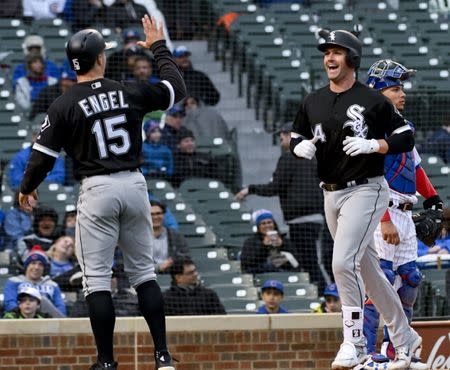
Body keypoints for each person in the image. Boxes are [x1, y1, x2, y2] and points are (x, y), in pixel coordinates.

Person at [18, 16, 186, 370]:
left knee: (97, 279)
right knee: (144, 275)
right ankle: (163, 355)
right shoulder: (129, 90)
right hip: (134, 184)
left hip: (97, 189)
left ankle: (107, 361)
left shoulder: (63, 104)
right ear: (99, 59)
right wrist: (157, 46)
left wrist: (27, 188)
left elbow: (41, 156)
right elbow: (175, 87)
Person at [290, 29, 420, 369]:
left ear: (353, 59)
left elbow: (406, 134)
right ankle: (405, 338)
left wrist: (376, 145)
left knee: (341, 263)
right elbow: (296, 132)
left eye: (337, 52)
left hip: (367, 188)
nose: (329, 58)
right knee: (369, 271)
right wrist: (296, 146)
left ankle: (355, 342)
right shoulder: (313, 100)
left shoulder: (374, 100)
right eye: (326, 52)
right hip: (330, 194)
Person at [362, 59, 442, 369]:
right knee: (381, 281)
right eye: (395, 88)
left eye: (402, 88)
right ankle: (367, 353)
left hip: (406, 212)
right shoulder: (369, 127)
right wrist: (383, 220)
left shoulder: (402, 126)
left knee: (410, 279)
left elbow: (415, 166)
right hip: (383, 209)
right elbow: (367, 176)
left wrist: (433, 200)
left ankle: (399, 351)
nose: (402, 93)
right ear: (378, 93)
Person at [236, 122, 329, 290]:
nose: (281, 137)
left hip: (301, 220)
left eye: (284, 135)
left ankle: (325, 296)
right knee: (310, 261)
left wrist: (250, 189)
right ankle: (326, 295)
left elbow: (275, 187)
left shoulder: (289, 156)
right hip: (317, 218)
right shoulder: (315, 156)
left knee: (308, 264)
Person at [3, 245, 67, 317]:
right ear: (27, 266)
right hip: (20, 318)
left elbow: (60, 308)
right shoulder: (14, 281)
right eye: (33, 263)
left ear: (44, 268)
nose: (36, 267)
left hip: (47, 321)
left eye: (40, 264)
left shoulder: (53, 285)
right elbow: (10, 304)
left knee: (43, 300)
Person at [240, 209, 299, 274]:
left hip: (283, 271)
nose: (267, 225)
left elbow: (296, 261)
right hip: (260, 273)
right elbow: (247, 262)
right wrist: (263, 246)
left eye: (269, 222)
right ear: (258, 227)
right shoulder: (250, 242)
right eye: (263, 223)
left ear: (274, 224)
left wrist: (282, 245)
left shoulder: (284, 240)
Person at [70, 265, 141, 317]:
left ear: (116, 280)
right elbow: (75, 317)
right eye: (103, 277)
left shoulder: (130, 298)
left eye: (112, 276)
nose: (109, 280)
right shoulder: (85, 298)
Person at [150, 200, 189, 273]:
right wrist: (158, 268)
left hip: (172, 275)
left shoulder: (175, 235)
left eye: (158, 213)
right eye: (151, 214)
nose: (155, 217)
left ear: (164, 215)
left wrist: (171, 262)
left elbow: (185, 255)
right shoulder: (138, 237)